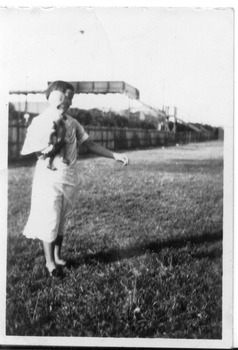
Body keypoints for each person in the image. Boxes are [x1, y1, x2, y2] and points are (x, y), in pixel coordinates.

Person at [21, 80, 129, 277]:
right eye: (67, 97)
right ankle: (50, 263)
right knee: (50, 216)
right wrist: (55, 142)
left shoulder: (73, 123)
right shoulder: (41, 121)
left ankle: (57, 255)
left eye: (71, 97)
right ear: (57, 97)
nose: (70, 101)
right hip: (49, 177)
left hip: (68, 176)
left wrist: (115, 155)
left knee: (62, 218)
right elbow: (39, 154)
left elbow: (91, 144)